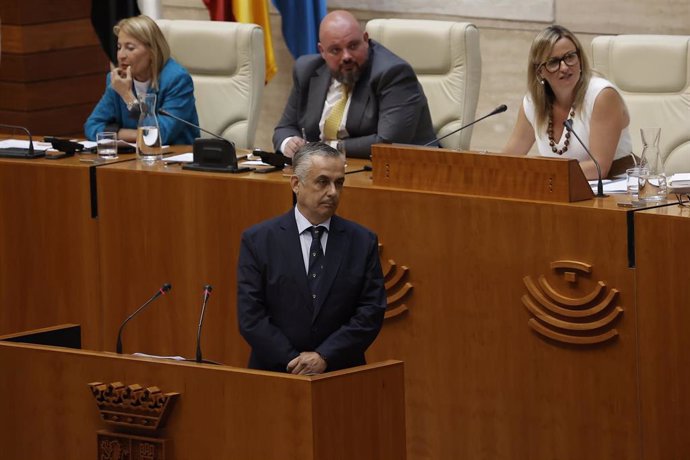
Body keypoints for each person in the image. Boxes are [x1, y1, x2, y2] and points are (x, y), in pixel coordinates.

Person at [237, 142, 386, 374]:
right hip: (276, 373)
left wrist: (325, 356)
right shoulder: (259, 240)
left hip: (339, 373)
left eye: (339, 183)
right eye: (323, 182)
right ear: (296, 184)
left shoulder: (362, 241)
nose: (333, 192)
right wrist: (293, 361)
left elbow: (370, 312)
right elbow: (251, 316)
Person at [273, 10, 437, 160]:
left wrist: (324, 149)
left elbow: (387, 143)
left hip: (399, 171)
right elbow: (285, 127)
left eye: (353, 46)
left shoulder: (393, 73)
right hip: (326, 172)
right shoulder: (307, 70)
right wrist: (288, 143)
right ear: (322, 51)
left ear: (365, 40)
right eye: (335, 50)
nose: (346, 56)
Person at [502, 25, 633, 179]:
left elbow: (598, 168)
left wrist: (540, 174)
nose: (564, 67)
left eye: (570, 57)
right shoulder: (533, 104)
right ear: (540, 71)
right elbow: (507, 161)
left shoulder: (602, 95)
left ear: (580, 59)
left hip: (617, 191)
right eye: (553, 62)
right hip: (562, 190)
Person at [84, 15, 199, 145]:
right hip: (133, 160)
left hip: (175, 159)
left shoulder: (176, 79)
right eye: (119, 47)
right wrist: (134, 134)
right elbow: (92, 127)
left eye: (130, 48)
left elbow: (160, 134)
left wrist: (127, 96)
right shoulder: (117, 80)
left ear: (152, 51)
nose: (121, 55)